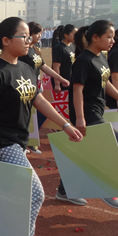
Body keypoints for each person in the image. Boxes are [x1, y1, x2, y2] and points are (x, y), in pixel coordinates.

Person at [0, 17, 82, 236]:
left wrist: (65, 124)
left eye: (29, 36)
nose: (30, 40)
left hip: (18, 138)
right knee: (34, 192)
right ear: (5, 41)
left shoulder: (25, 67)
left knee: (5, 191)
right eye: (23, 36)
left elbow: (39, 100)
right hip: (2, 142)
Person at [62, 20, 118, 209]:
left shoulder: (101, 57)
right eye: (109, 37)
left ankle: (63, 190)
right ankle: (105, 187)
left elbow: (106, 82)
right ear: (95, 38)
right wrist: (79, 118)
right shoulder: (83, 60)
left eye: (113, 37)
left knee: (84, 155)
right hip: (87, 114)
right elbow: (77, 90)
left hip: (96, 111)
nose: (113, 40)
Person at [19, 22, 71, 152]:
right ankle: (26, 143)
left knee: (39, 114)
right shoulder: (22, 51)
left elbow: (44, 66)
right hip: (25, 88)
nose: (40, 36)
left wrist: (60, 78)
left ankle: (29, 141)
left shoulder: (34, 50)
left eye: (41, 33)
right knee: (25, 115)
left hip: (35, 87)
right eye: (38, 33)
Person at [52, 25, 77, 91]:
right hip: (63, 82)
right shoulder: (59, 48)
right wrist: (57, 84)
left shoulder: (72, 46)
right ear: (66, 35)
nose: (76, 36)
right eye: (74, 34)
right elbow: (56, 67)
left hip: (71, 80)